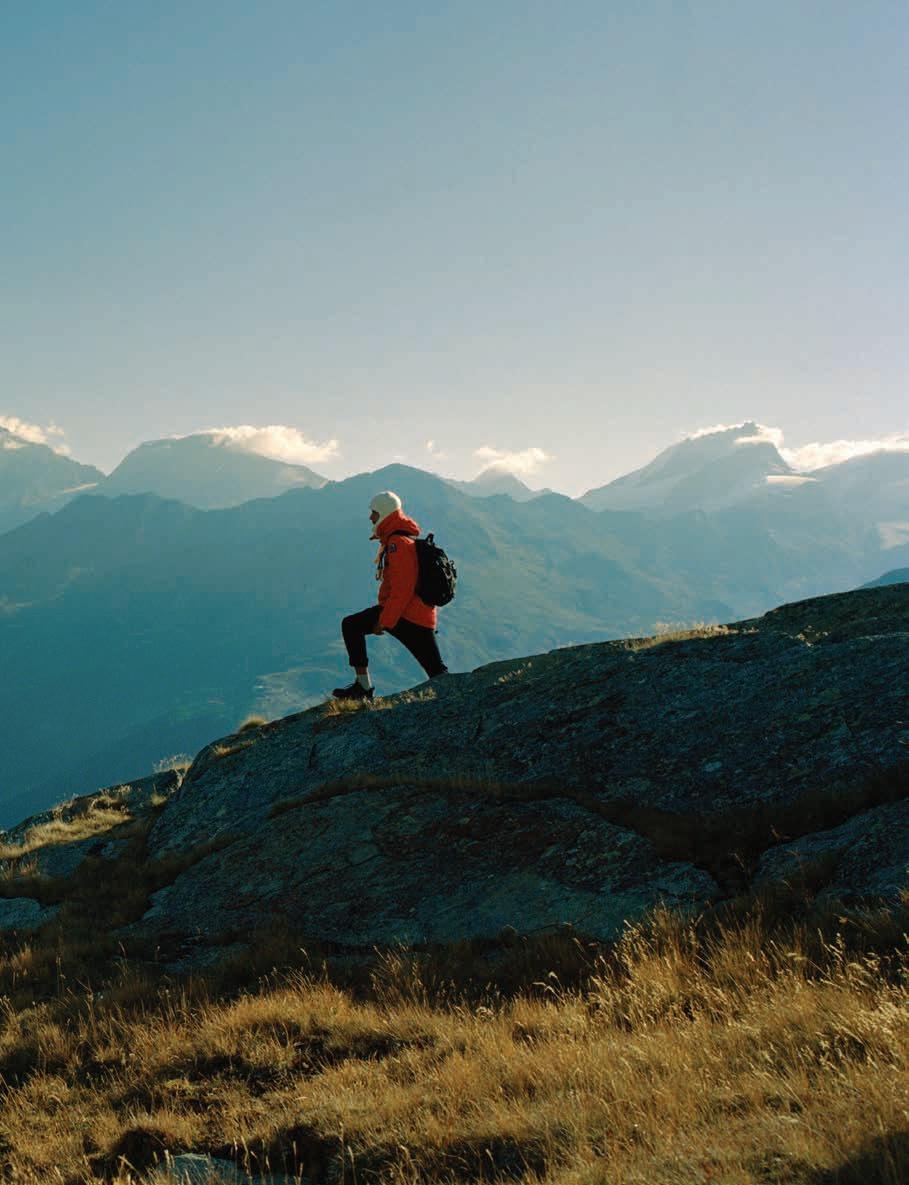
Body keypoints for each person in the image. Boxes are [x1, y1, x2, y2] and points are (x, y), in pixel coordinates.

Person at [333, 491, 449, 700]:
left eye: (374, 513)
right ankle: (363, 686)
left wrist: (385, 621)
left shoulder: (398, 544)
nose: (371, 518)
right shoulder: (401, 539)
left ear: (385, 513)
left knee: (351, 625)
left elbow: (403, 589)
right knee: (437, 672)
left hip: (407, 616)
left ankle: (363, 687)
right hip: (417, 615)